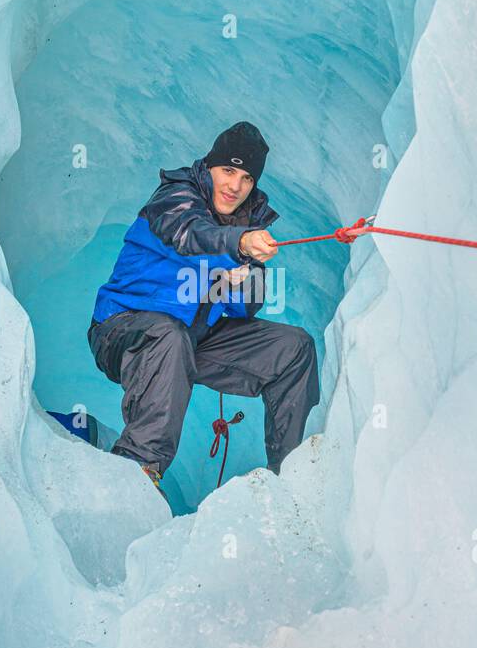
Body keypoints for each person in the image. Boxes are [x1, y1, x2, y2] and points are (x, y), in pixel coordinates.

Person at [88, 121, 320, 493]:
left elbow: (247, 308)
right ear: (209, 167)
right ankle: (137, 470)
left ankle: (290, 480)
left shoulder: (249, 221)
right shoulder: (176, 197)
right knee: (169, 335)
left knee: (294, 348)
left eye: (246, 178)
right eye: (228, 171)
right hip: (123, 330)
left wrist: (240, 285)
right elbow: (188, 233)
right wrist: (239, 244)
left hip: (194, 341)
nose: (235, 186)